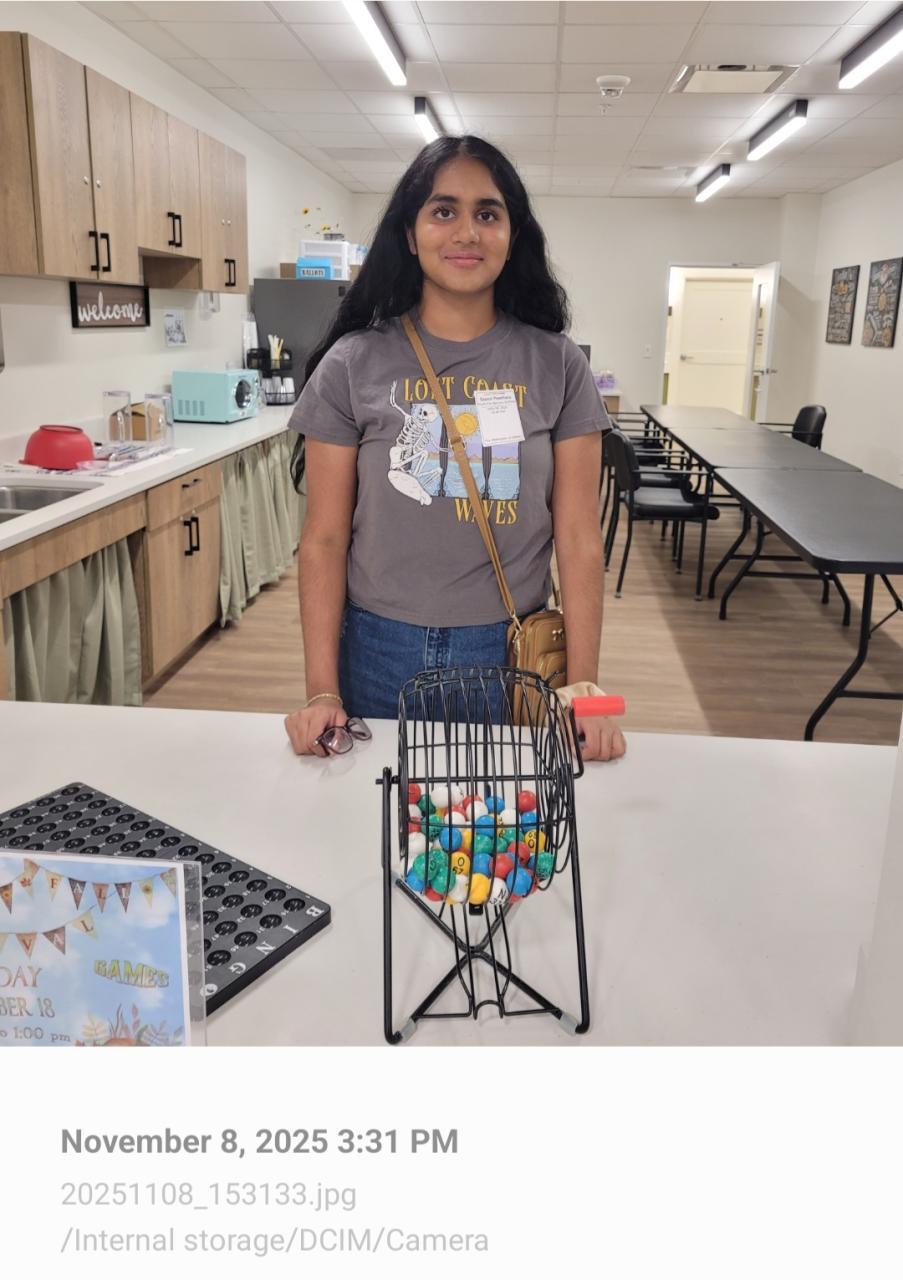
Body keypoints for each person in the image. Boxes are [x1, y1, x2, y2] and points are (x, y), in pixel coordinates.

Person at [284, 134, 626, 762]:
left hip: (509, 653)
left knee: (504, 816)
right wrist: (320, 692)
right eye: (443, 211)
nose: (467, 232)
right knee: (379, 811)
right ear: (410, 235)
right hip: (377, 650)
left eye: (488, 213)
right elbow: (324, 539)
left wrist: (586, 690)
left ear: (512, 237)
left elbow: (579, 537)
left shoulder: (558, 365)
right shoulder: (352, 364)